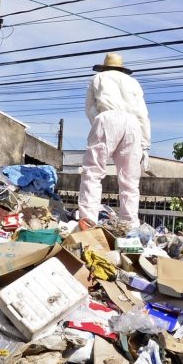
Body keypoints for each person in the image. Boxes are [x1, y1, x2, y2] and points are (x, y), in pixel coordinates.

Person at [77, 52, 151, 230]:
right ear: (121, 67)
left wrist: (99, 121)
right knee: (130, 180)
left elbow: (89, 107)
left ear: (104, 66)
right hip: (132, 124)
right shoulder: (133, 83)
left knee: (93, 173)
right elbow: (142, 114)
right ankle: (129, 225)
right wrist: (145, 145)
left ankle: (88, 221)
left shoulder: (98, 78)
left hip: (107, 118)